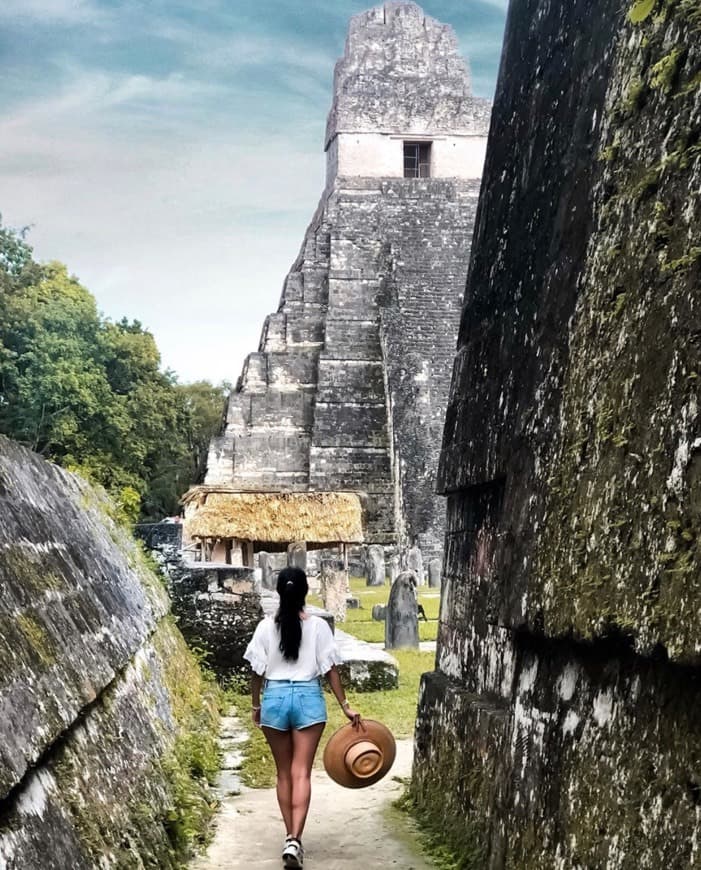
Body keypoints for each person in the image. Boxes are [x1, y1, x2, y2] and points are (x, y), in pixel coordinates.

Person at [244, 566, 361, 869]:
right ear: (305, 592)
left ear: (279, 592)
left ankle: (289, 836)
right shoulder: (319, 627)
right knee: (301, 773)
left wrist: (256, 706)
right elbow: (330, 670)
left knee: (283, 773)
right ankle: (296, 838)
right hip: (309, 698)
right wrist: (345, 706)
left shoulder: (265, 627)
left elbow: (256, 673)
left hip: (275, 699)